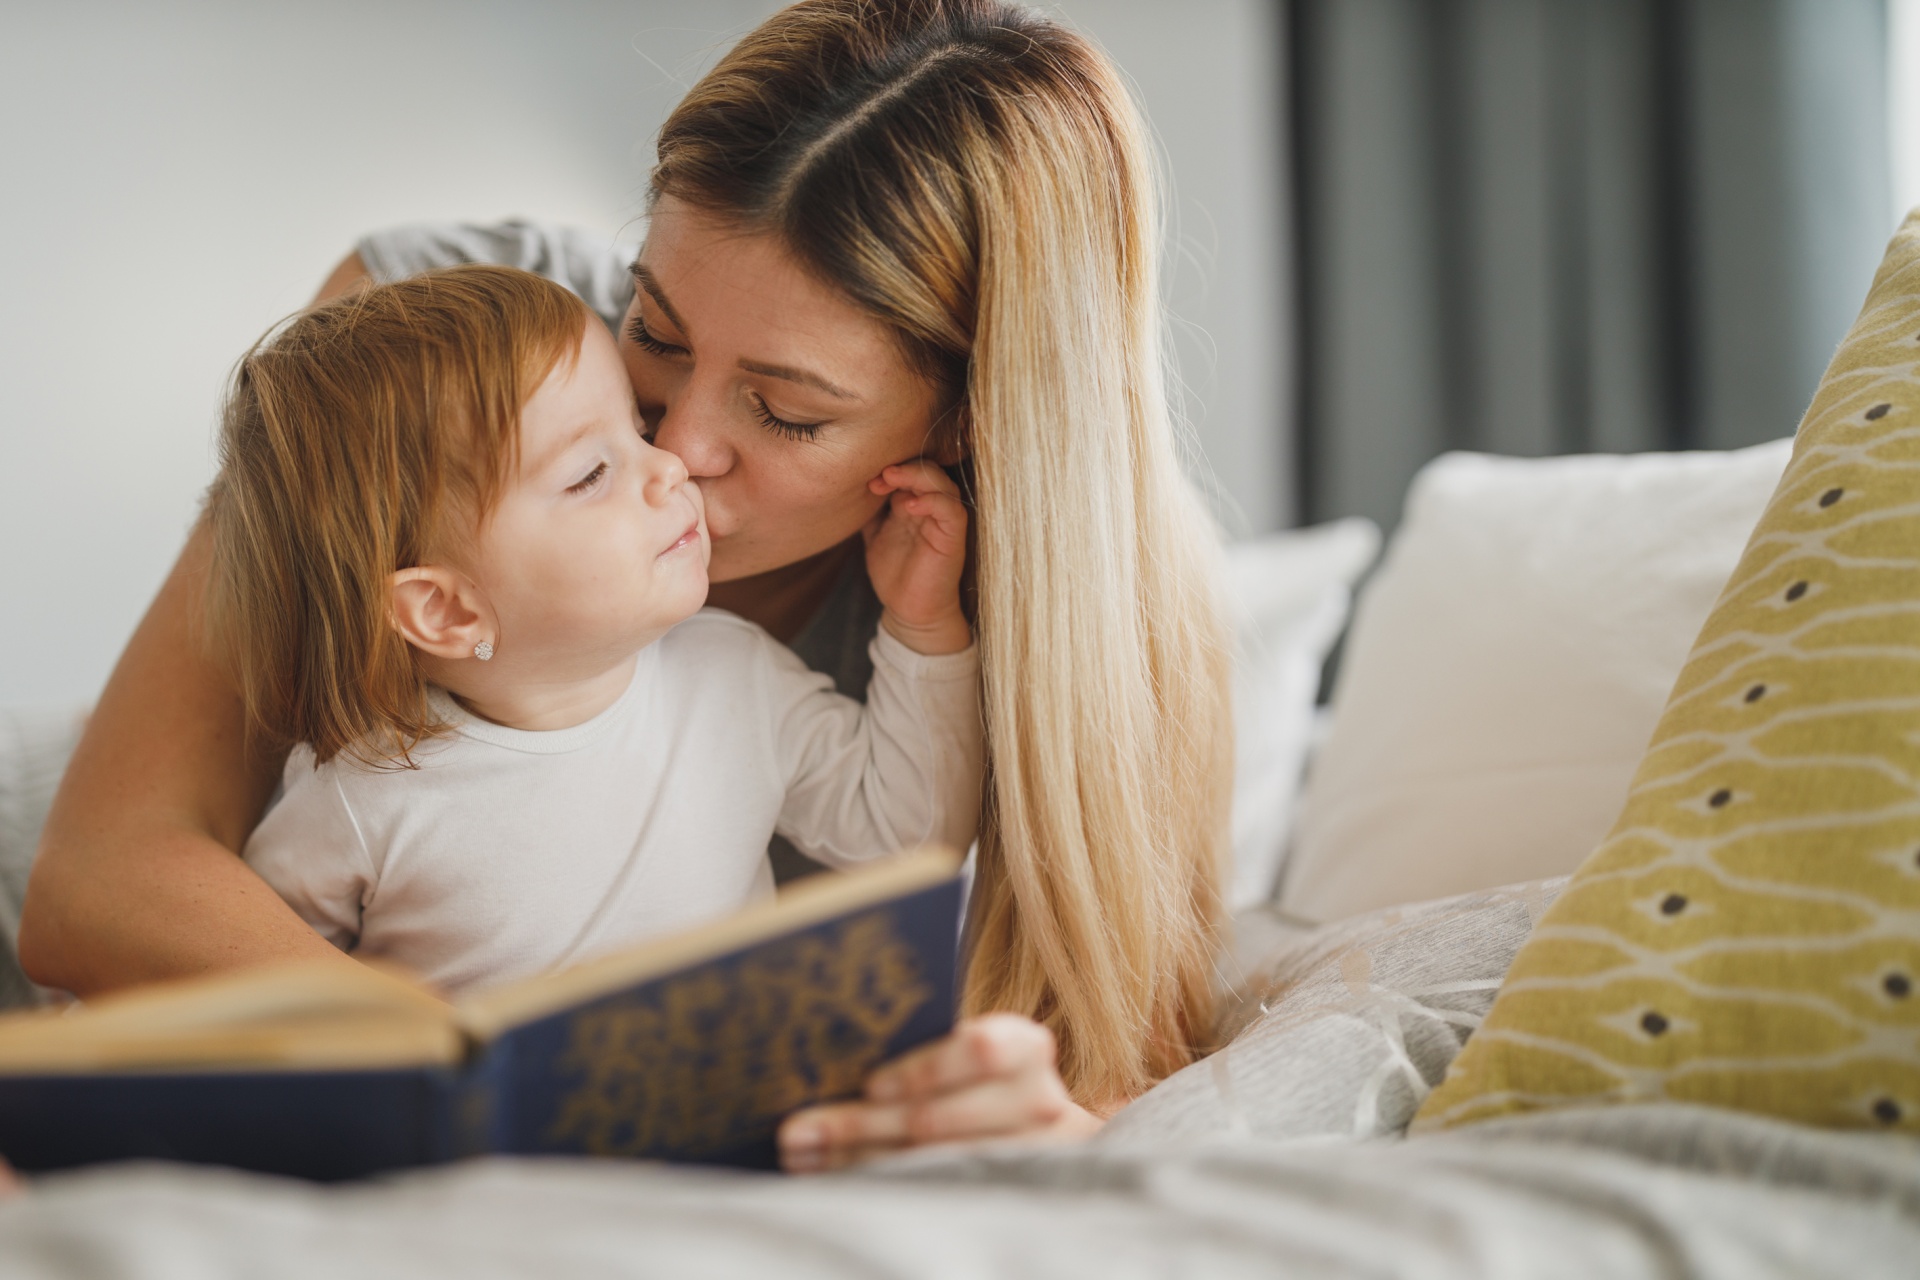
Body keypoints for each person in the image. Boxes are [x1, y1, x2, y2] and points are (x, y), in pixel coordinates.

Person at [20, 0, 1233, 1172]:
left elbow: (1107, 1060)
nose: (676, 447)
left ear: (968, 420)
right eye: (650, 328)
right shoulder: (445, 345)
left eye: (784, 411)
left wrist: (1055, 1125)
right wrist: (461, 1066)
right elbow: (98, 888)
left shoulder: (1029, 616)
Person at [213, 265, 981, 991]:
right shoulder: (361, 792)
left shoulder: (736, 679)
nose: (671, 464)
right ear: (447, 611)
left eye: (637, 429)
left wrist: (922, 625)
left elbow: (909, 841)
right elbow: (265, 1006)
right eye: (590, 474)